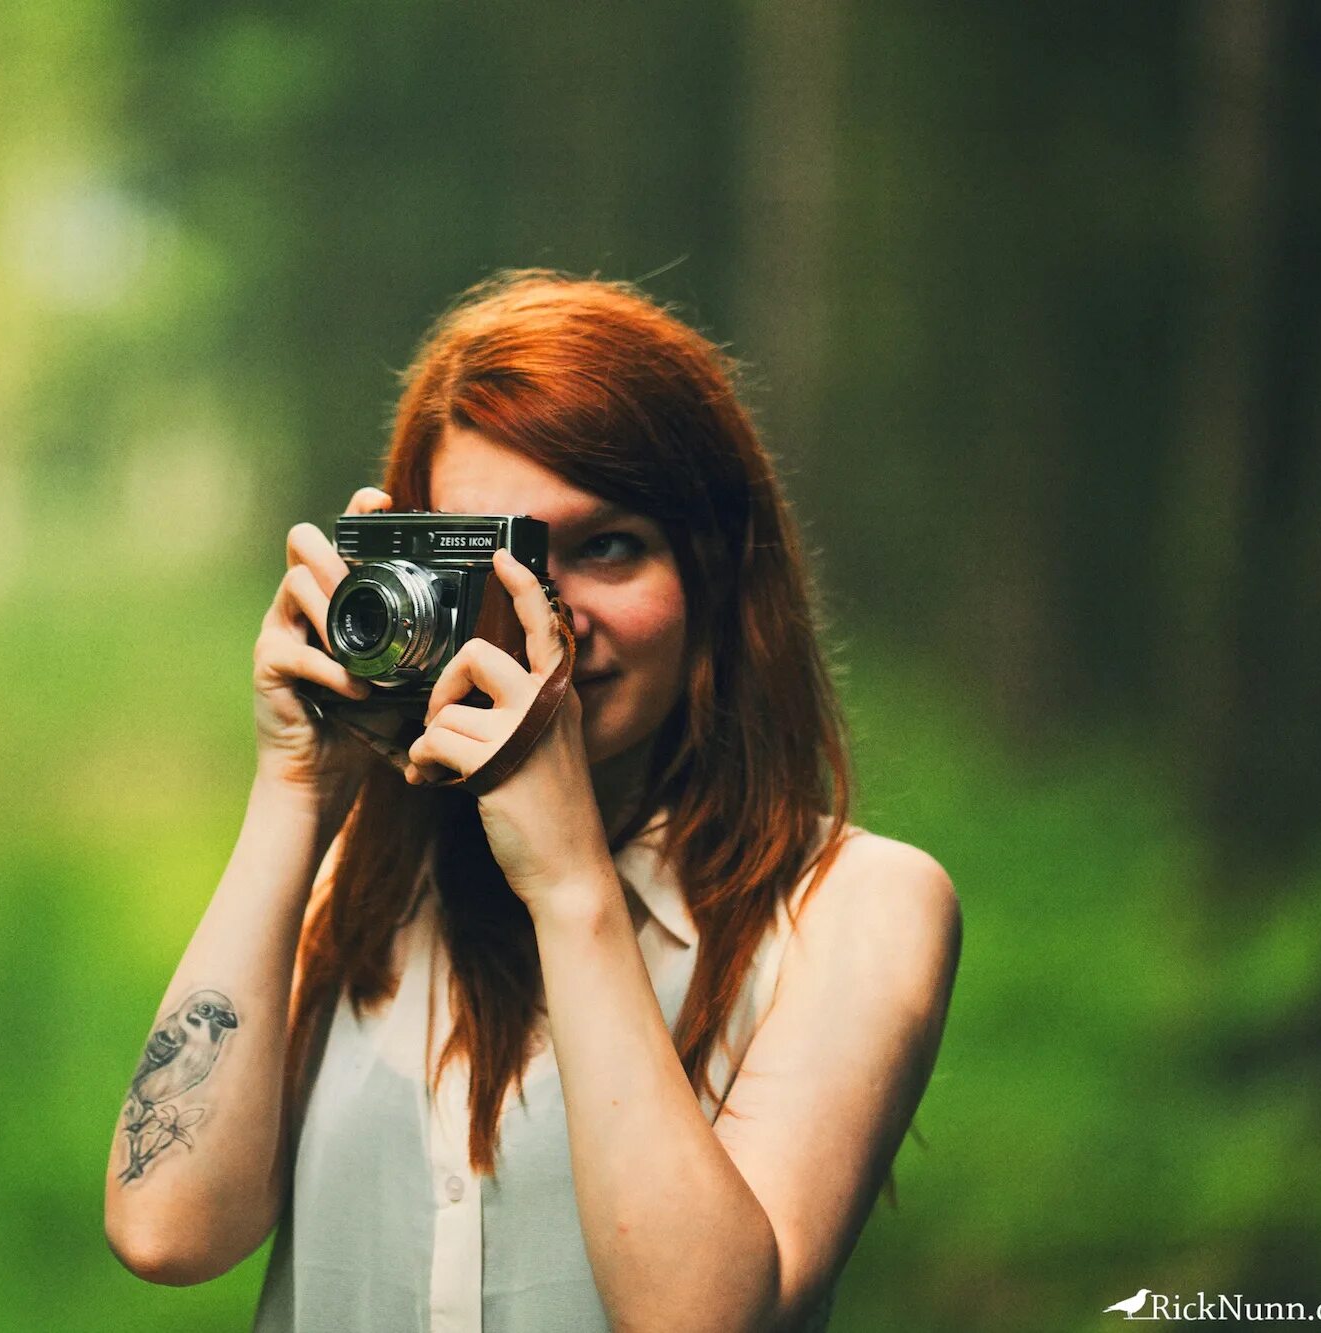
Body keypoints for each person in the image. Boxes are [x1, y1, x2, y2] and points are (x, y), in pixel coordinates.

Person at [103, 271, 962, 1332]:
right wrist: (292, 793)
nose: (546, 616)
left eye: (605, 547)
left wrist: (567, 883)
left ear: (717, 570)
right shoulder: (360, 885)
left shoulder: (856, 909)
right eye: (491, 559)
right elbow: (168, 1231)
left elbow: (706, 1319)